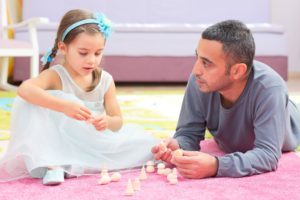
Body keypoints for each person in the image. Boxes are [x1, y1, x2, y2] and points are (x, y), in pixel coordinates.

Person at [0, 9, 157, 185]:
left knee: (147, 146)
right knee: (28, 102)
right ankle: (53, 165)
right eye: (83, 53)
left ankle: (76, 162)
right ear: (63, 48)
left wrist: (107, 122)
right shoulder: (56, 76)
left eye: (98, 53)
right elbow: (24, 90)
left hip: (93, 142)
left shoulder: (105, 81)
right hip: (59, 144)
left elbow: (118, 121)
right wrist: (64, 105)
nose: (92, 60)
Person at [152, 20, 300, 179]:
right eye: (198, 58)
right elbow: (189, 133)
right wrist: (178, 145)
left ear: (237, 71)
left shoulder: (270, 89)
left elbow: (268, 155)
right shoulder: (201, 82)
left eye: (206, 63)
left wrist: (216, 165)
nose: (196, 70)